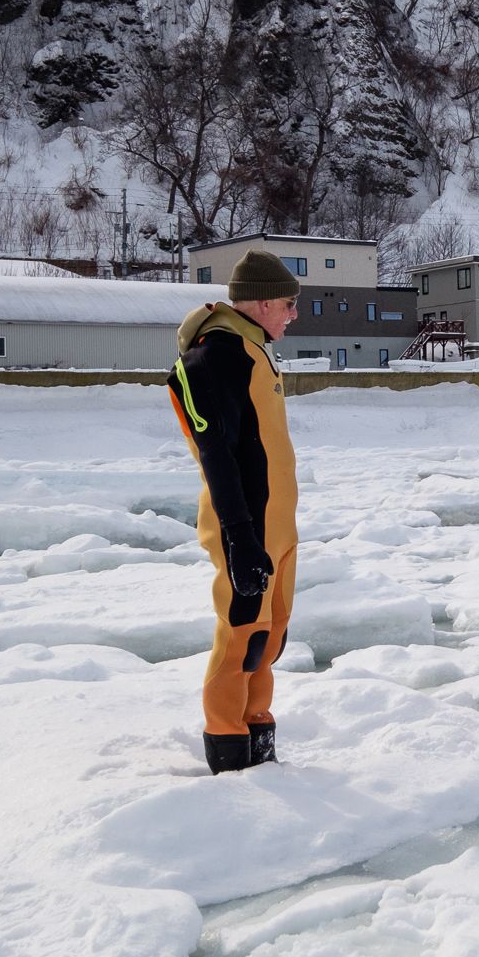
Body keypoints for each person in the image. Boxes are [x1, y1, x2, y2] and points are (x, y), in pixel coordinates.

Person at [167, 251, 302, 774]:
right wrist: (240, 538)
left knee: (269, 639)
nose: (293, 315)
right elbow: (216, 455)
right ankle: (228, 750)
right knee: (241, 635)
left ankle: (260, 747)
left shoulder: (255, 349)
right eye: (289, 304)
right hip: (246, 526)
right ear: (264, 301)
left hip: (278, 527)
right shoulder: (218, 354)